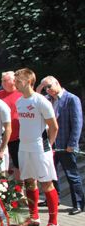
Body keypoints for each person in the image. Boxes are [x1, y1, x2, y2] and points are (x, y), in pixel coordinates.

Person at [13, 68, 60, 226]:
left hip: (40, 148)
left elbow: (54, 126)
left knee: (47, 184)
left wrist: (50, 147)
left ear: (27, 81)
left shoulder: (41, 101)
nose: (15, 83)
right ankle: (34, 217)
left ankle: (53, 223)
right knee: (29, 182)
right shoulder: (19, 102)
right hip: (24, 147)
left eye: (18, 80)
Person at [37, 76, 83, 215]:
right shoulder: (48, 99)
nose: (48, 90)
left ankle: (79, 204)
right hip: (51, 144)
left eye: (50, 86)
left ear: (58, 83)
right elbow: (35, 98)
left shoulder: (71, 99)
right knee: (51, 173)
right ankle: (53, 199)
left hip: (66, 144)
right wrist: (40, 86)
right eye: (46, 88)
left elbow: (77, 123)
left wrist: (72, 144)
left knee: (72, 175)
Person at [0, 71, 23, 183]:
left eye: (5, 80)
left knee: (19, 165)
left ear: (14, 81)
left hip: (17, 137)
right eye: (2, 80)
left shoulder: (21, 94)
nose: (2, 82)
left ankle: (20, 191)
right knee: (1, 166)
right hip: (0, 137)